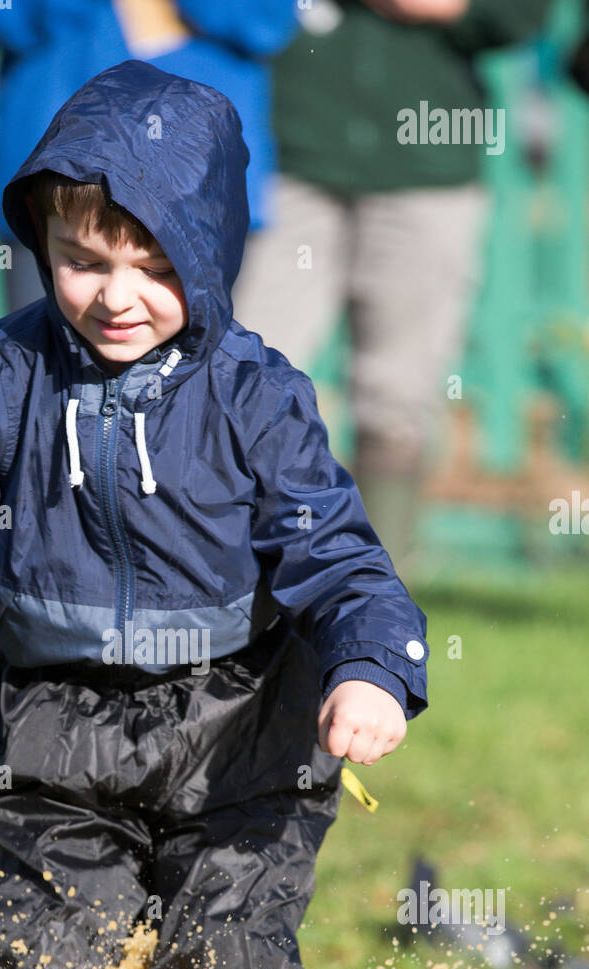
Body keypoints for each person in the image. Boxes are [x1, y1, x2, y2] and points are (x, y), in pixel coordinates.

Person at [0, 60, 429, 969]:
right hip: (46, 737)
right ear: (44, 247)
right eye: (81, 260)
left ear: (207, 251)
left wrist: (370, 665)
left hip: (236, 732)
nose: (114, 296)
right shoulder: (5, 376)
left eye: (152, 265)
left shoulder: (253, 392)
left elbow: (335, 550)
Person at [232, 0, 554, 572]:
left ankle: (372, 607)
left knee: (398, 397)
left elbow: (524, 15)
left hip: (426, 169)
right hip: (291, 152)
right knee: (246, 377)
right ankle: (235, 584)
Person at [0, 0, 303, 315]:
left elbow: (265, 21)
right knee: (42, 371)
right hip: (53, 172)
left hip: (199, 173)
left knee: (190, 375)